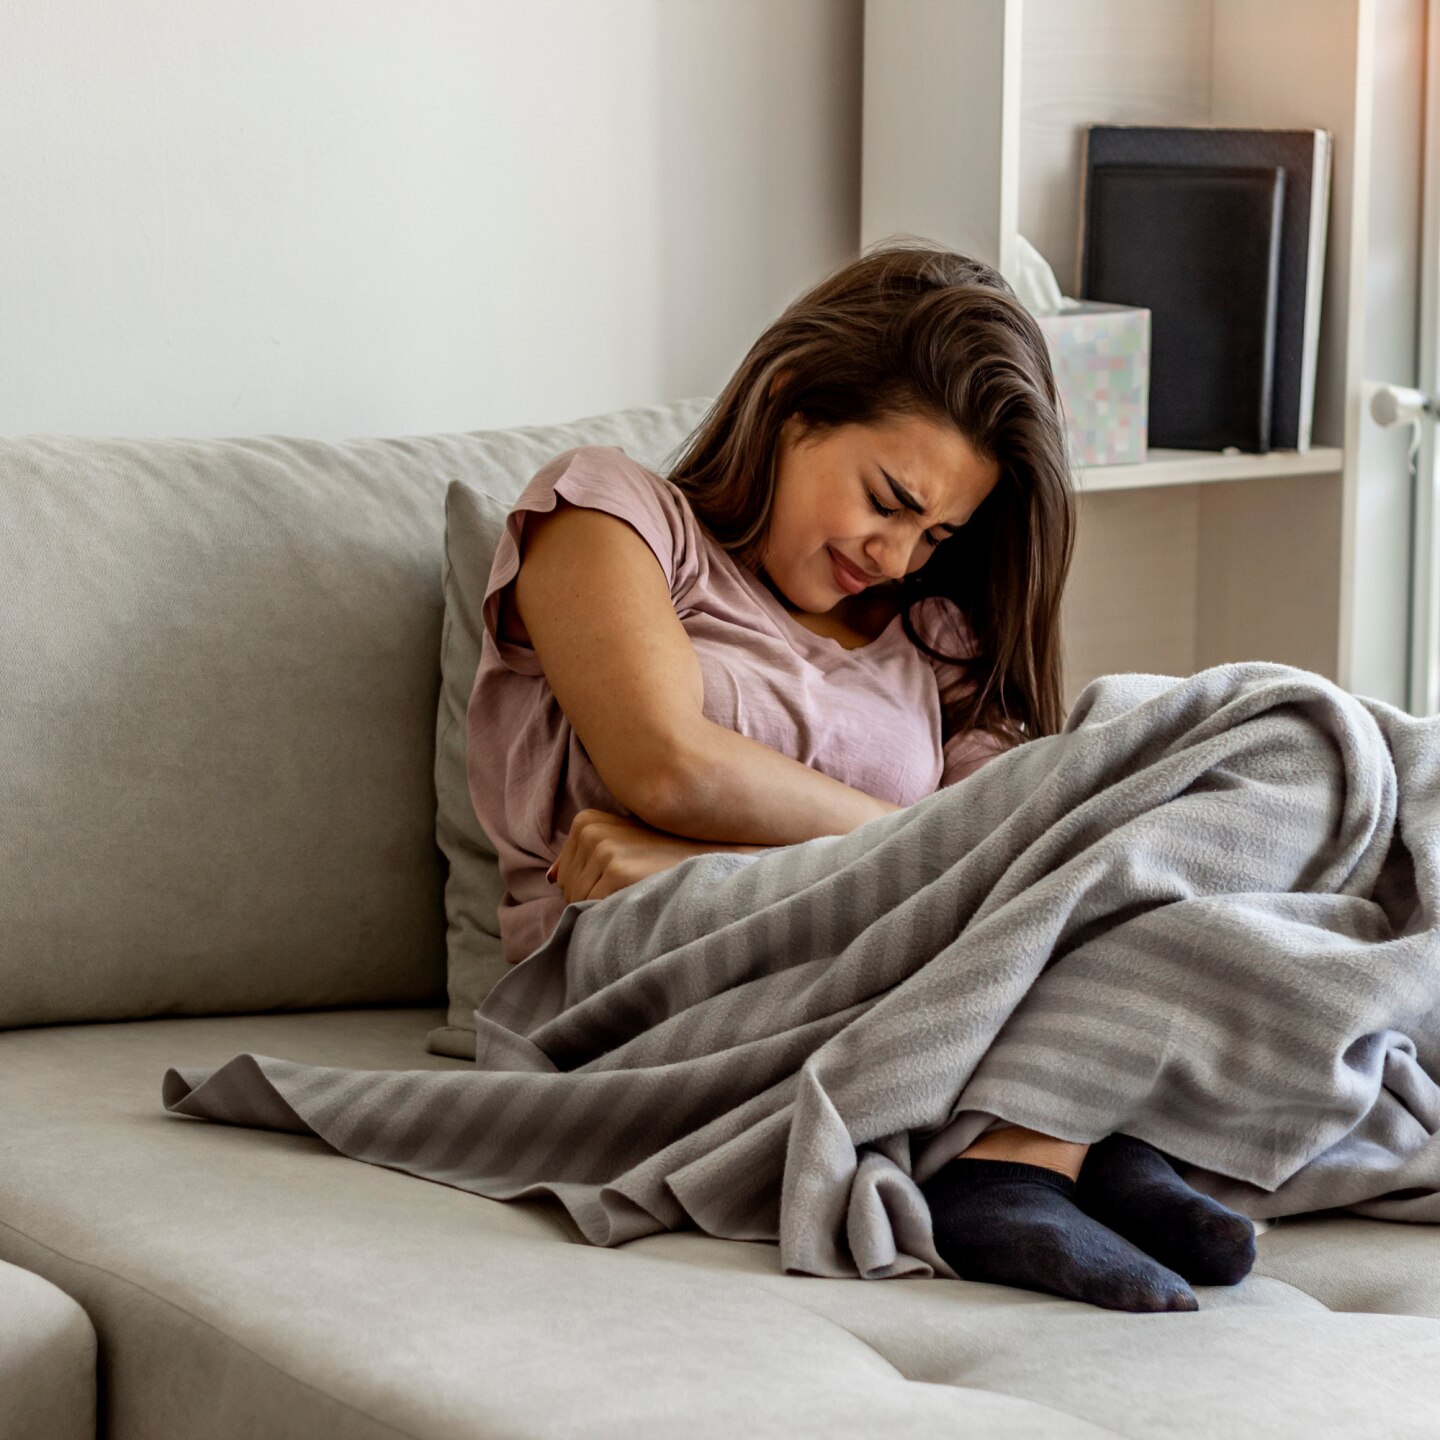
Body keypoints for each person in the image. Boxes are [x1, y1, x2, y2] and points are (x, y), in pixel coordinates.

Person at [466, 238, 1256, 1311]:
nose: (895, 554)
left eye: (935, 533)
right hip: (635, 987)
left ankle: (1043, 1147)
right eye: (887, 498)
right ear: (794, 401)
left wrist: (709, 856)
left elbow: (1036, 847)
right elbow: (668, 765)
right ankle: (1042, 1140)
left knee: (1254, 764)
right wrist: (902, 846)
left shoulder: (931, 634)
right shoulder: (612, 518)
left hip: (877, 959)